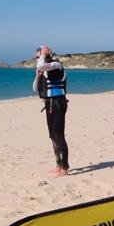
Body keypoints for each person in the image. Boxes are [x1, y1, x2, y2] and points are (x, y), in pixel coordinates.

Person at [33, 45, 69, 177]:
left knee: (59, 135)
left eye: (40, 56)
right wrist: (38, 77)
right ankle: (58, 165)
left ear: (47, 54)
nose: (38, 59)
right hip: (49, 104)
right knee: (52, 136)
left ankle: (65, 167)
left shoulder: (56, 65)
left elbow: (41, 65)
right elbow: (34, 89)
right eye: (37, 57)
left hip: (59, 103)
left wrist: (43, 55)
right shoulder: (43, 70)